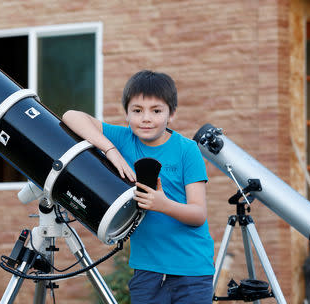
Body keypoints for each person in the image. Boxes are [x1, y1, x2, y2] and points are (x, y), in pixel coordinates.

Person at [62, 70, 214, 304]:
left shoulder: (187, 150)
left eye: (156, 111)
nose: (146, 118)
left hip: (191, 271)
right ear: (127, 113)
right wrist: (110, 150)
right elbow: (71, 116)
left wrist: (163, 205)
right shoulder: (123, 139)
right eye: (137, 110)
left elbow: (198, 214)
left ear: (171, 114)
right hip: (147, 270)